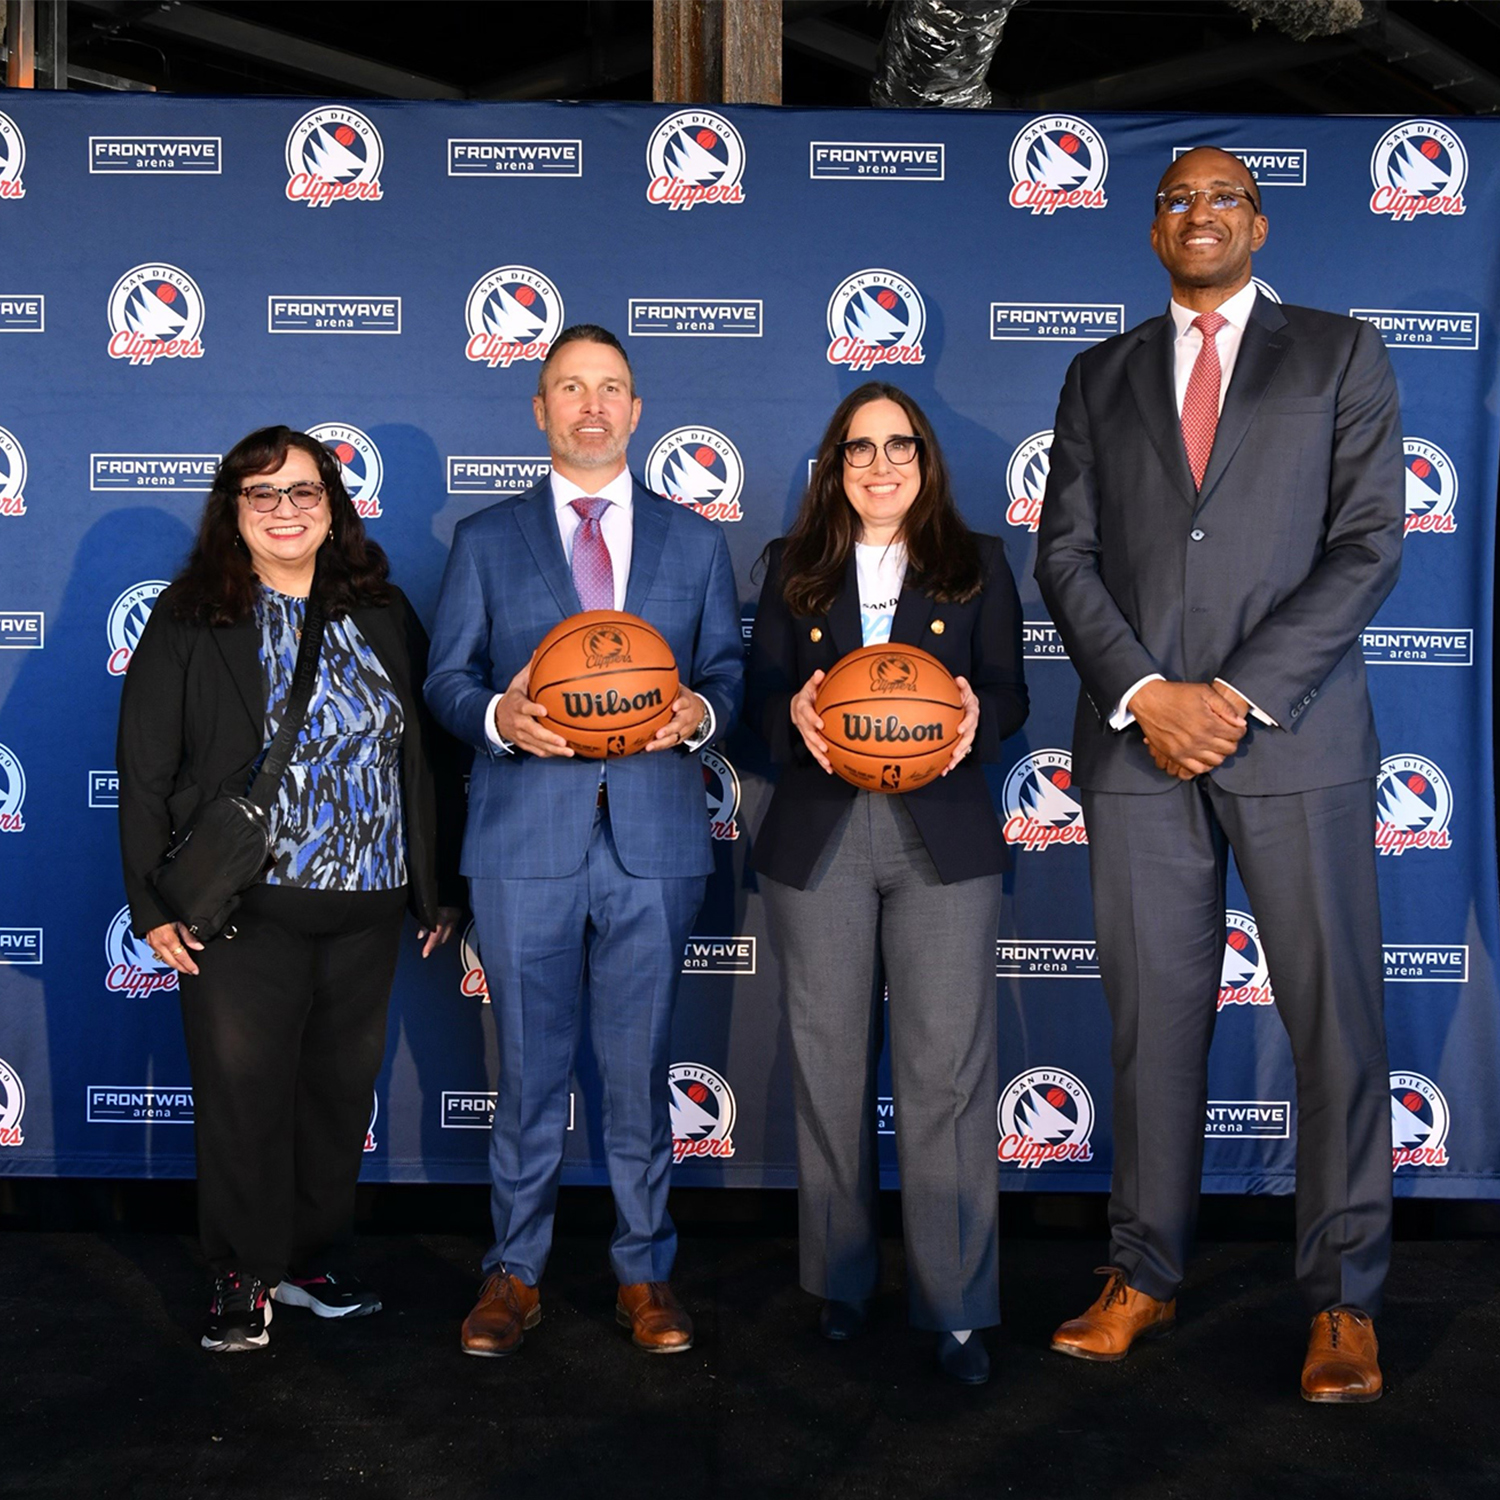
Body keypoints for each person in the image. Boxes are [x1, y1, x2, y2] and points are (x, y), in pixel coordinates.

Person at [1035, 148, 1403, 1401]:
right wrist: (1149, 696)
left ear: (1260, 222)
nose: (1201, 214)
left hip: (1294, 740)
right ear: (1153, 230)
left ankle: (1344, 1300)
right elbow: (1066, 554)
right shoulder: (1100, 373)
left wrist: (1231, 696)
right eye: (1178, 199)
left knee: (1335, 1023)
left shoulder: (1340, 354)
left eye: (1224, 197)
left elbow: (1369, 545)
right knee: (1152, 1025)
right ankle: (1143, 1272)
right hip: (1138, 748)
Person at [424, 324, 743, 1358]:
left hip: (654, 836)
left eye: (610, 388)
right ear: (541, 408)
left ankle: (643, 1271)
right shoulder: (486, 539)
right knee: (527, 1070)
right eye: (570, 387)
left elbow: (727, 675)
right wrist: (497, 718)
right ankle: (514, 1272)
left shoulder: (694, 541)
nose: (592, 405)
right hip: (525, 838)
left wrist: (697, 713)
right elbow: (446, 679)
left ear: (636, 410)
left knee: (641, 1068)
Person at [118, 425, 464, 1353]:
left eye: (304, 491)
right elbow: (144, 768)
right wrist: (153, 906)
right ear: (233, 511)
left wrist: (440, 887)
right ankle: (240, 1272)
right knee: (244, 1098)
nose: (285, 510)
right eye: (262, 493)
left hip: (369, 906)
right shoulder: (192, 616)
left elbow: (430, 753)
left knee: (336, 1099)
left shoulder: (381, 608)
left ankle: (307, 1261)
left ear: (333, 507)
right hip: (245, 910)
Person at [746, 382, 1028, 1385]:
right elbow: (755, 703)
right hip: (821, 832)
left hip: (940, 834)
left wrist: (974, 720)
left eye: (897, 445)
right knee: (828, 1065)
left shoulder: (977, 562)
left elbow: (1012, 693)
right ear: (834, 466)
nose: (878, 464)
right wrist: (795, 717)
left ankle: (957, 1306)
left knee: (946, 1072)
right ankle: (842, 1281)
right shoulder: (792, 566)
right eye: (858, 448)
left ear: (925, 459)